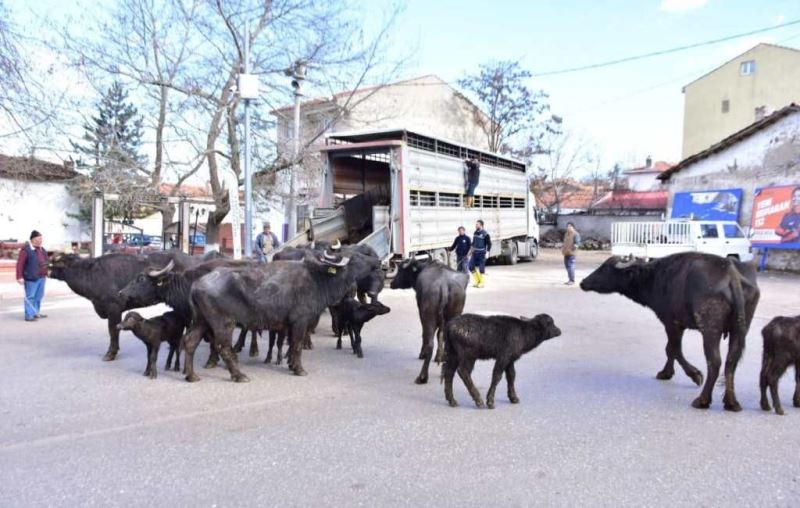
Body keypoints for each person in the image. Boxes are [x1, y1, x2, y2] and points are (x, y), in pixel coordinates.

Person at [15, 230, 49, 322]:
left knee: (38, 296)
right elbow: (19, 264)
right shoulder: (26, 250)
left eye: (41, 239)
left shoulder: (42, 249)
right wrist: (19, 277)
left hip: (42, 277)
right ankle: (29, 315)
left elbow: (46, 262)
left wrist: (47, 271)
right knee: (30, 297)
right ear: (33, 239)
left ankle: (35, 312)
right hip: (31, 278)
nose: (40, 241)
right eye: (39, 239)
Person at [468, 220, 491, 288]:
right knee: (470, 266)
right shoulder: (475, 233)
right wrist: (470, 251)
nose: (476, 225)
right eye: (476, 224)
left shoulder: (485, 234)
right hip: (475, 253)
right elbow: (473, 243)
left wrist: (487, 252)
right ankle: (477, 281)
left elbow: (489, 244)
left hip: (482, 253)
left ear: (481, 225)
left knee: (481, 268)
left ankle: (482, 283)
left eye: (477, 224)